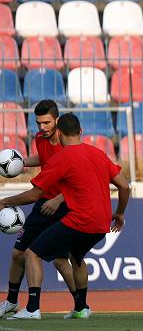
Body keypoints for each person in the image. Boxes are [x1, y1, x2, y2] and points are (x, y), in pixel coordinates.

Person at [0, 113, 130, 320]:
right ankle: (81, 308)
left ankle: (32, 309)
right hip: (101, 223)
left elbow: (35, 194)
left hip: (79, 220)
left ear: (59, 132)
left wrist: (5, 202)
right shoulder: (98, 153)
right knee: (76, 258)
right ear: (81, 132)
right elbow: (124, 186)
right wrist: (120, 213)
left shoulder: (62, 158)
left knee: (31, 254)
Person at [0, 100, 86, 319]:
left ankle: (80, 306)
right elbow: (44, 159)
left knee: (60, 260)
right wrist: (17, 164)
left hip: (63, 204)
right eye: (39, 123)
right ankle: (11, 301)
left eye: (47, 122)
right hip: (43, 202)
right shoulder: (40, 138)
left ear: (57, 120)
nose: (42, 127)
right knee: (18, 253)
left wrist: (59, 199)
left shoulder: (68, 145)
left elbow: (77, 179)